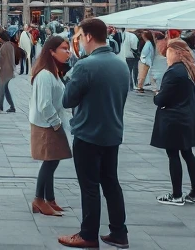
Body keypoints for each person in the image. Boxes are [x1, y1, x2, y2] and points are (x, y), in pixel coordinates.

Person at [58, 18, 129, 249]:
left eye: (79, 37)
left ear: (88, 36)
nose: (78, 41)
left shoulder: (85, 65)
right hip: (112, 132)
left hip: (88, 134)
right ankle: (119, 232)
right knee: (111, 184)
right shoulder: (120, 64)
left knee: (89, 187)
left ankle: (88, 235)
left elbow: (68, 99)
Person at [150, 40, 195, 206]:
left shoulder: (174, 71)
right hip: (189, 117)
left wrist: (157, 95)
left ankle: (176, 195)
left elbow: (162, 99)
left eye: (168, 52)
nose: (166, 56)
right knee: (188, 154)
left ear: (176, 52)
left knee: (173, 154)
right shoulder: (193, 70)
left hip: (174, 118)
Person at [29, 36, 72, 217]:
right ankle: (39, 199)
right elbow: (44, 104)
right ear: (51, 51)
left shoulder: (53, 72)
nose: (68, 52)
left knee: (53, 161)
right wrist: (56, 124)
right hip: (47, 125)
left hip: (51, 123)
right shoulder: (46, 74)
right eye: (64, 48)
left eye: (68, 48)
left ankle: (50, 198)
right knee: (50, 162)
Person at [0, 28, 16, 113]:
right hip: (9, 69)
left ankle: (0, 106)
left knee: (2, 89)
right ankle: (12, 106)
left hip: (4, 70)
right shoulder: (10, 45)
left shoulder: (4, 46)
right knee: (5, 89)